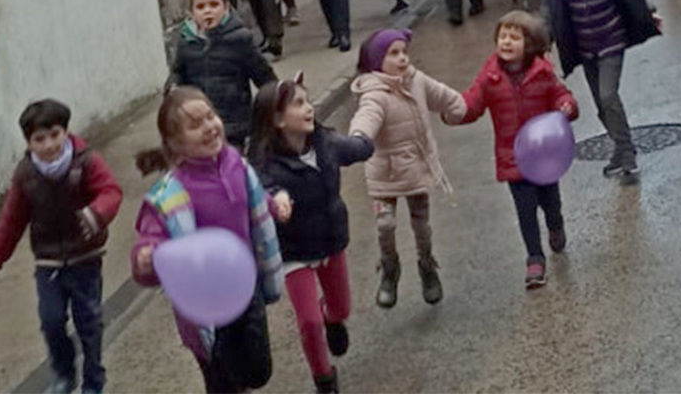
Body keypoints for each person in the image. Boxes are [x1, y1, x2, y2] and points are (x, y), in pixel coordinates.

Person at [131, 87, 283, 394]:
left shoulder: (237, 165)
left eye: (210, 116)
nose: (209, 127)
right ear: (175, 143)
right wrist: (146, 256)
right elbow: (152, 238)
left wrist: (274, 205)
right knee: (221, 379)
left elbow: (253, 200)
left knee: (257, 368)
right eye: (195, 124)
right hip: (206, 303)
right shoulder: (169, 194)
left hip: (245, 285)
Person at [0, 99, 123, 394]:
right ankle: (63, 374)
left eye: (54, 135)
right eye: (39, 139)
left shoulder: (85, 162)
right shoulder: (26, 174)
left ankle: (93, 380)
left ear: (65, 132)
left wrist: (96, 214)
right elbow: (12, 218)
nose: (48, 145)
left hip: (85, 257)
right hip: (48, 261)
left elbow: (110, 191)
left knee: (89, 322)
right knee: (51, 320)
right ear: (29, 143)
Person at [251, 77, 375, 394]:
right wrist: (277, 199)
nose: (309, 108)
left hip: (330, 241)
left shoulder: (326, 143)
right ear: (277, 119)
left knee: (341, 309)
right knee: (309, 322)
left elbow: (360, 148)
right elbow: (262, 188)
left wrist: (367, 131)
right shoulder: (264, 162)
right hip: (294, 251)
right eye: (298, 104)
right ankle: (324, 379)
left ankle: (332, 318)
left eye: (308, 101)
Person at [447, 12, 577, 289]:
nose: (506, 42)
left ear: (530, 44)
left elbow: (560, 94)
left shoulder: (543, 72)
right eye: (502, 36)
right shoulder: (490, 77)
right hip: (513, 157)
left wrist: (566, 106)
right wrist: (454, 112)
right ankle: (534, 259)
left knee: (550, 201)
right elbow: (473, 104)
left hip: (543, 155)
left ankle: (555, 224)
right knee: (525, 210)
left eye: (514, 37)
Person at [348, 30, 467, 308]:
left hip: (415, 168)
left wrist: (456, 109)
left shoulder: (417, 80)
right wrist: (359, 139)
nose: (402, 58)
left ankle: (427, 265)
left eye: (404, 51)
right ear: (377, 60)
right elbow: (366, 117)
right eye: (393, 53)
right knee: (385, 224)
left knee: (421, 225)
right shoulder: (374, 93)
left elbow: (445, 97)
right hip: (384, 173)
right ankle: (390, 267)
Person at [542, 0, 661, 179]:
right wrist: (542, 44)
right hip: (585, 51)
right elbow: (549, 16)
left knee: (608, 96)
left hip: (611, 45)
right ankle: (619, 147)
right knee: (601, 105)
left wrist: (649, 13)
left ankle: (627, 152)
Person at [168, 0, 278, 150]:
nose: (208, 11)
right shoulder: (186, 42)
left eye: (214, 5)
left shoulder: (240, 39)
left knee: (231, 161)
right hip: (199, 122)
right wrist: (172, 86)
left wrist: (277, 101)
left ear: (226, 8)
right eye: (200, 7)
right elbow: (178, 70)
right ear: (192, 13)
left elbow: (263, 74)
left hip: (234, 123)